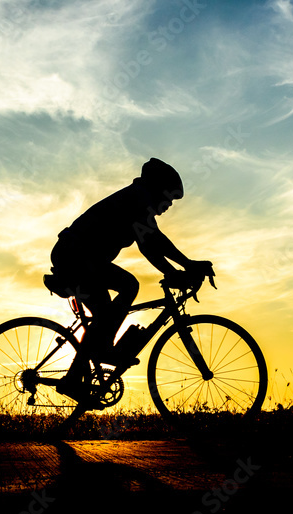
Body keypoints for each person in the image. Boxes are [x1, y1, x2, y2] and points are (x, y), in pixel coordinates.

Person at [47, 158, 212, 400]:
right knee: (128, 286)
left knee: (104, 314)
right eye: (169, 198)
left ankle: (76, 376)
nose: (168, 205)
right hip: (75, 257)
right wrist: (176, 270)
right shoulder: (138, 198)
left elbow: (154, 240)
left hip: (81, 258)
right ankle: (95, 358)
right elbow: (148, 244)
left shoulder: (138, 198)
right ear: (158, 189)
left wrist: (186, 265)